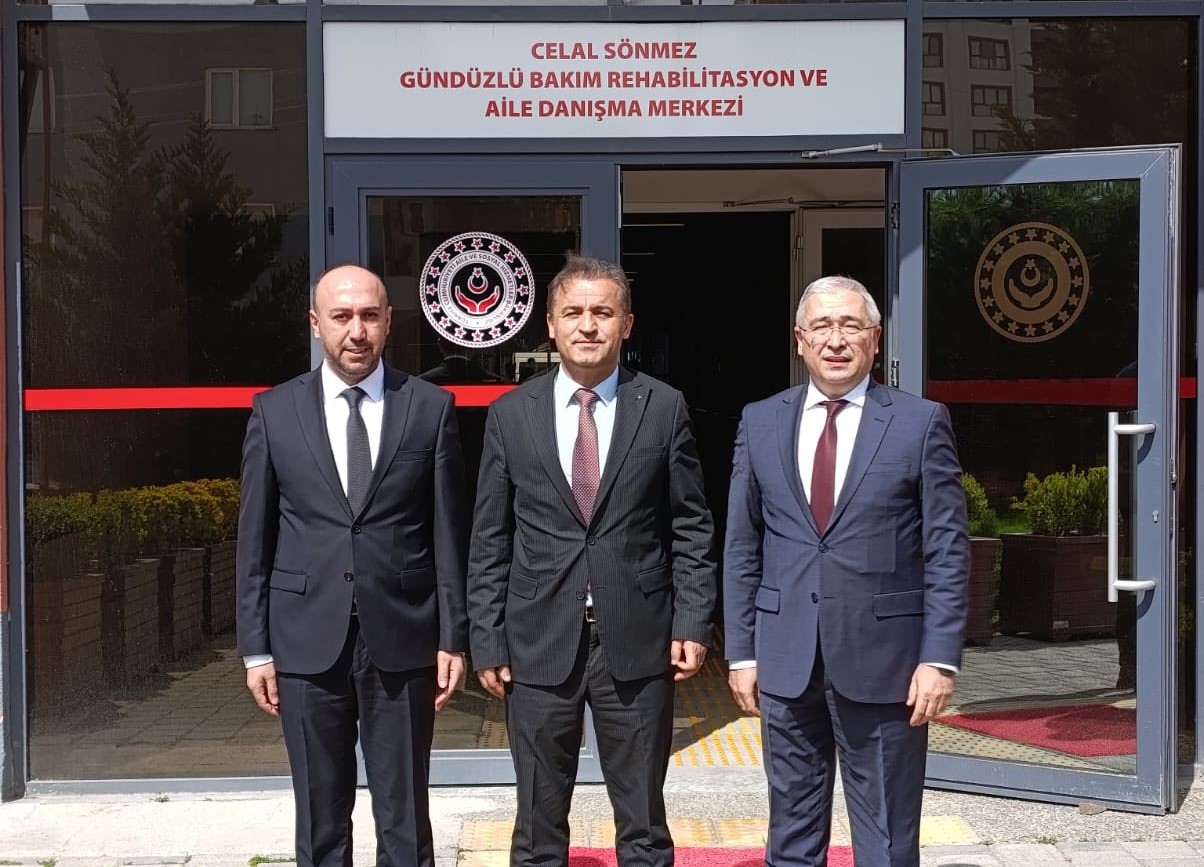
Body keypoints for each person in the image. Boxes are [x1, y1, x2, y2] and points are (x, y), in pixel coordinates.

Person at [467, 254, 717, 867]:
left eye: (602, 312)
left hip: (637, 641)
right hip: (536, 643)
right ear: (550, 324)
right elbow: (490, 537)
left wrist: (692, 621)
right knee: (536, 827)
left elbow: (690, 525)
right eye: (573, 312)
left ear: (626, 324)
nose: (587, 325)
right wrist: (487, 639)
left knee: (644, 825)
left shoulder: (663, 407)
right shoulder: (510, 414)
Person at [723, 275, 968, 867]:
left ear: (875, 340)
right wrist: (741, 653)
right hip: (785, 661)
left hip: (887, 663)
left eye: (851, 326)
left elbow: (947, 549)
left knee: (886, 836)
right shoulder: (761, 420)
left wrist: (939, 659)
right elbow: (742, 544)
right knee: (791, 834)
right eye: (822, 327)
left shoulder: (920, 422)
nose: (836, 340)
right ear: (799, 340)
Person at [236, 264, 468, 867]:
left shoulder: (430, 408)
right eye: (341, 317)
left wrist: (453, 637)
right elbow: (254, 541)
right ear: (316, 324)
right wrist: (256, 649)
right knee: (320, 821)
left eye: (369, 316)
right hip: (305, 642)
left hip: (405, 640)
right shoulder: (274, 411)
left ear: (389, 321)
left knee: (405, 820)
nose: (356, 331)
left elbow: (448, 534)